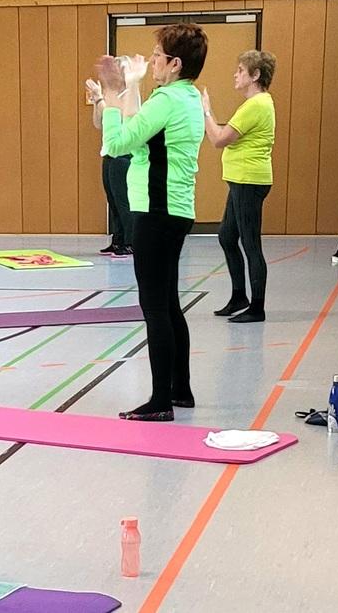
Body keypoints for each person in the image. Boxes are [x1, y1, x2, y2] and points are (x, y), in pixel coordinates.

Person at [98, 23, 208, 421]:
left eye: (158, 56)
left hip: (156, 211)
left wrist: (111, 94)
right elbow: (143, 131)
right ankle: (181, 389)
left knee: (154, 307)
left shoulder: (168, 100)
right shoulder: (187, 97)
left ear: (175, 63)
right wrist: (132, 86)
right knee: (168, 303)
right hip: (175, 209)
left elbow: (117, 143)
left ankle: (160, 400)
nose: (154, 60)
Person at [201, 50, 277, 323]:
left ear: (255, 75)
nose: (236, 74)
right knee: (226, 236)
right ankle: (238, 296)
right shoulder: (255, 105)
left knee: (250, 243)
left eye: (241, 71)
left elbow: (219, 138)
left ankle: (257, 307)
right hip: (240, 181)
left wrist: (206, 111)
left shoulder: (256, 105)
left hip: (249, 180)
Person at [85, 73, 133, 258]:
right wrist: (97, 101)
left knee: (123, 201)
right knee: (113, 201)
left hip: (123, 157)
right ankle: (118, 239)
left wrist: (100, 98)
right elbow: (99, 123)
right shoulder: (109, 99)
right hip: (109, 155)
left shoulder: (127, 99)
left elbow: (117, 119)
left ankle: (130, 242)